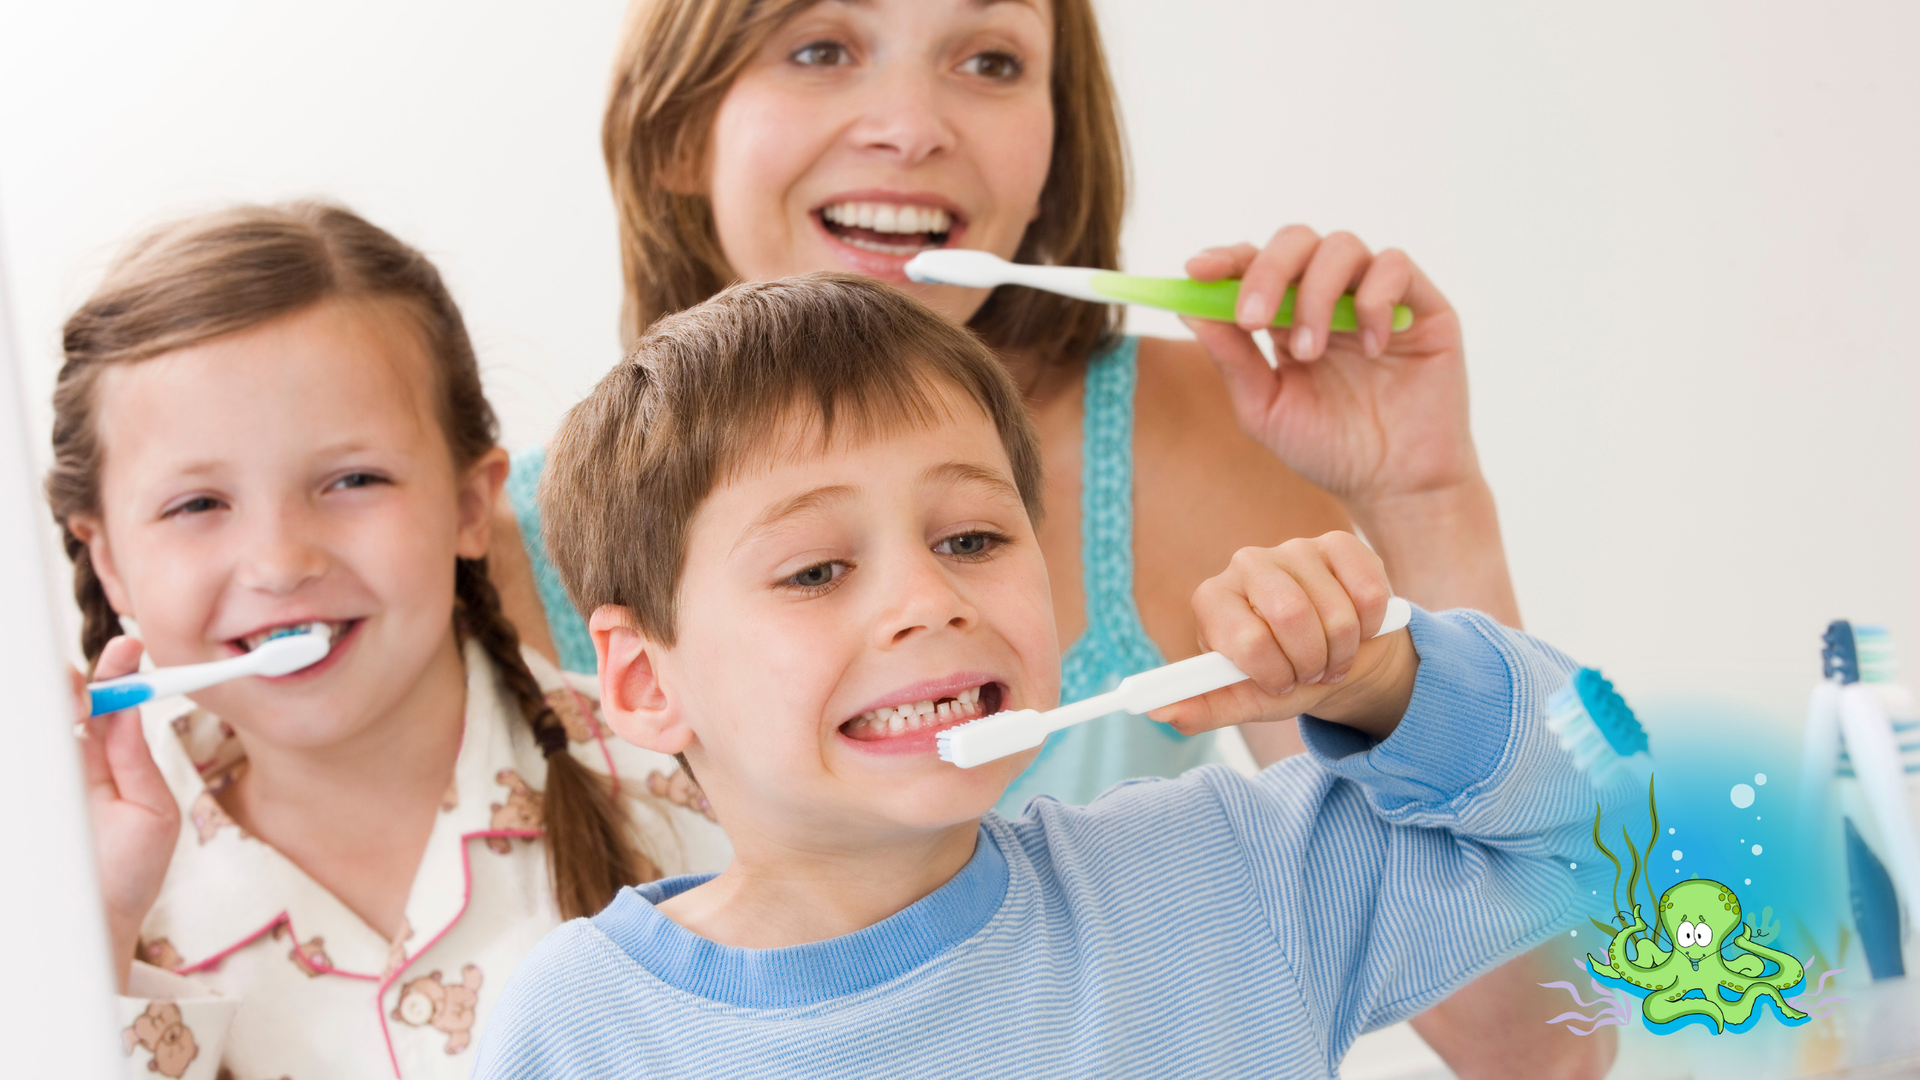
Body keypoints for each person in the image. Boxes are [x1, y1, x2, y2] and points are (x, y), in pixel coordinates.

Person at [485, 1, 1596, 1073]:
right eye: (822, 45)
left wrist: (1403, 646)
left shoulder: (1227, 878)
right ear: (634, 674)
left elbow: (1555, 962)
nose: (913, 125)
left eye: (972, 540)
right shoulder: (579, 1023)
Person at [53, 203, 727, 1079]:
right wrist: (93, 928)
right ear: (107, 558)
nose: (280, 561)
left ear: (470, 505)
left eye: (353, 480)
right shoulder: (75, 894)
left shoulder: (711, 789)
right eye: (198, 505)